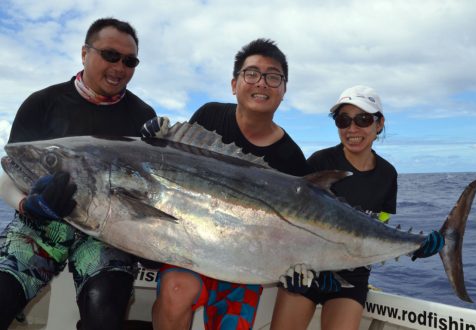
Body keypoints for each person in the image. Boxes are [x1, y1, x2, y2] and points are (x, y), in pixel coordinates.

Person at [142, 38, 309, 330]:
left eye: (273, 77)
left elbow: (297, 225)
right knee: (176, 292)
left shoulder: (291, 157)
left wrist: (299, 262)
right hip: (191, 245)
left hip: (245, 260)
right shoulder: (209, 116)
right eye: (252, 73)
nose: (262, 83)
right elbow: (171, 175)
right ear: (235, 84)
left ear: (283, 90)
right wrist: (156, 144)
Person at [0, 17, 156, 330]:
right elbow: (10, 168)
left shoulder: (143, 118)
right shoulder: (42, 103)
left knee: (105, 314)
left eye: (130, 61)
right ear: (84, 53)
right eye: (110, 55)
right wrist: (24, 204)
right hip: (41, 226)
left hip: (105, 233)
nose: (119, 67)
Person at [270, 85, 444, 330]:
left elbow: (378, 227)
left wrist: (416, 247)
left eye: (363, 119)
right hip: (306, 272)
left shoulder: (387, 174)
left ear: (379, 123)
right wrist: (312, 267)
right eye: (343, 120)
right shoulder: (320, 163)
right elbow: (290, 223)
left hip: (351, 277)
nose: (352, 129)